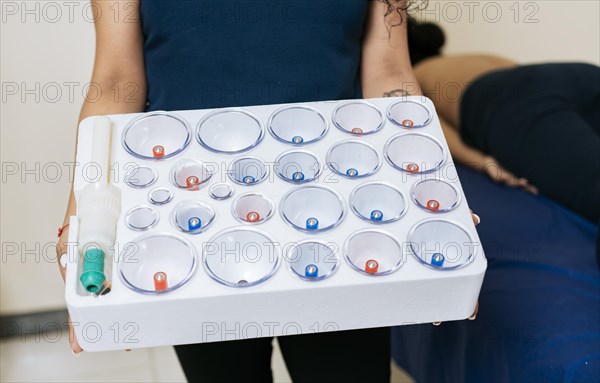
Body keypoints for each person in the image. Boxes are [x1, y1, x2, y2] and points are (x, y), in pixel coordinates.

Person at [55, 1, 445, 382]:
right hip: (195, 218)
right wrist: (84, 222)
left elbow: (389, 73)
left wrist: (435, 198)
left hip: (339, 213)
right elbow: (115, 81)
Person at [406, 18, 600, 224]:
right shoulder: (472, 57)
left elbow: (432, 128)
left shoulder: (412, 76)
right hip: (580, 75)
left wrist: (485, 163)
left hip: (517, 102)